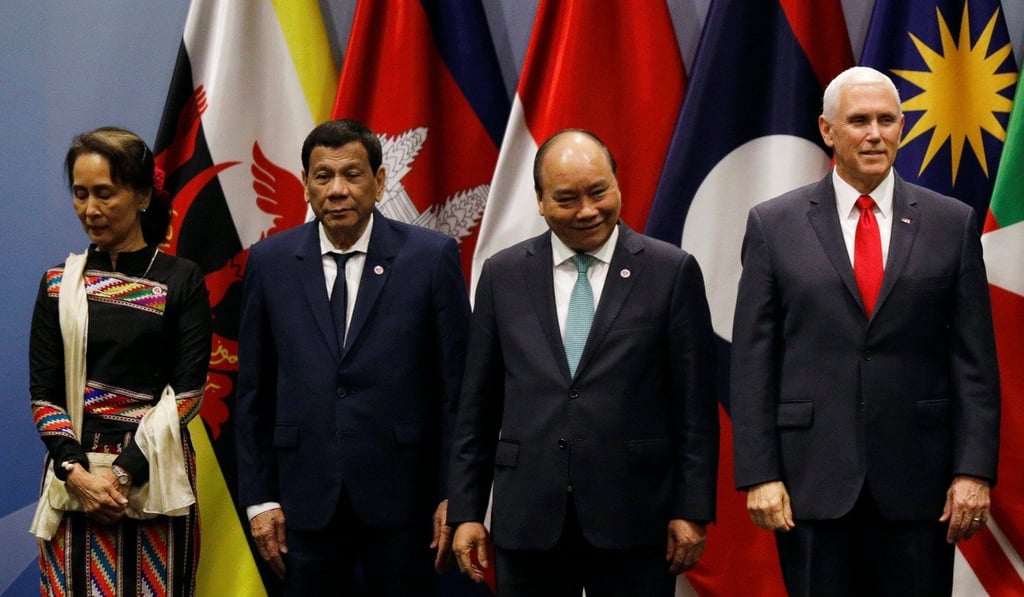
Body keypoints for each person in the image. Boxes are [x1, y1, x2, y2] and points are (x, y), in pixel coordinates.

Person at [731, 66, 1001, 596]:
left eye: (886, 119)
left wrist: (974, 471)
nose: (874, 133)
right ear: (828, 130)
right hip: (811, 484)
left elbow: (974, 361)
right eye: (859, 121)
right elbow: (753, 361)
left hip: (919, 485)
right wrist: (760, 474)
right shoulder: (774, 224)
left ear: (902, 126)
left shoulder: (952, 223)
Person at [447, 129, 719, 596]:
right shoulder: (502, 275)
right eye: (567, 198)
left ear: (617, 184)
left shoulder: (670, 271)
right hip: (528, 516)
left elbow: (694, 406)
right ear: (539, 200)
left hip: (635, 514)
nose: (587, 210)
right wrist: (467, 510)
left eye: (598, 192)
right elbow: (477, 406)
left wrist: (691, 509)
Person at [235, 118, 471, 595]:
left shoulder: (431, 257)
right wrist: (261, 500)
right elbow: (253, 392)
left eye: (353, 175)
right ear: (305, 185)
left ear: (380, 182)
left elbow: (457, 391)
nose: (337, 190)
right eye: (323, 176)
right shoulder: (270, 262)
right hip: (303, 503)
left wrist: (456, 494)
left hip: (406, 500)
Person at [29, 126, 212, 595]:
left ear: (143, 194)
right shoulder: (58, 283)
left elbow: (188, 392)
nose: (91, 210)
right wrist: (79, 475)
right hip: (75, 483)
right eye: (81, 194)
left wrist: (123, 472)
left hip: (154, 481)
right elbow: (45, 396)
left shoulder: (181, 279)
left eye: (105, 194)